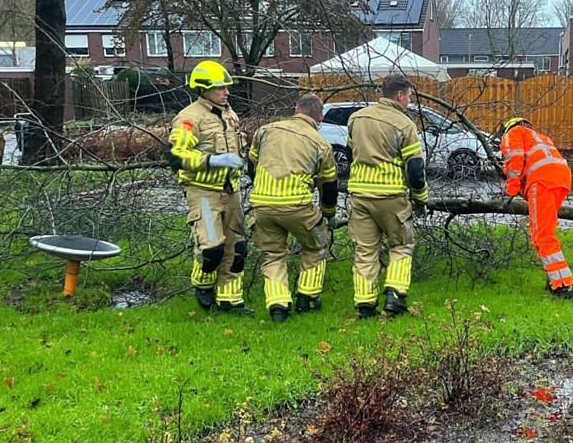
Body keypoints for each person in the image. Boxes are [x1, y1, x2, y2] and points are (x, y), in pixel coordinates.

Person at [167, 60, 253, 315]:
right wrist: (211, 161)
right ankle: (202, 284)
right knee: (212, 248)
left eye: (226, 87)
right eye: (219, 88)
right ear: (203, 89)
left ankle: (231, 300)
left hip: (231, 190)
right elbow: (175, 156)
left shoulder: (230, 114)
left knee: (236, 248)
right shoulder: (190, 118)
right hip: (202, 190)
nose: (226, 92)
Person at [247, 93, 338, 323]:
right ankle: (307, 297)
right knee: (316, 245)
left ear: (296, 109)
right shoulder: (321, 143)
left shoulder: (266, 131)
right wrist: (328, 214)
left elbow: (252, 165)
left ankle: (278, 305)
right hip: (297, 206)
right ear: (320, 117)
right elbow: (328, 186)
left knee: (273, 254)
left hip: (263, 204)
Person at [347, 75, 428, 319]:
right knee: (401, 245)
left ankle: (364, 304)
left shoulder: (356, 118)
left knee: (365, 250)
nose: (409, 101)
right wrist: (420, 198)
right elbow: (414, 168)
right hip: (391, 195)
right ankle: (395, 295)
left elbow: (353, 154)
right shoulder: (404, 124)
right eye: (409, 96)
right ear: (400, 95)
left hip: (359, 195)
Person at [497, 116, 573, 299]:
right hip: (560, 180)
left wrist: (511, 190)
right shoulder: (540, 137)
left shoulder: (514, 133)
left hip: (542, 181)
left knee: (543, 236)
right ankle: (555, 279)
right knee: (540, 232)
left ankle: (563, 285)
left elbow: (514, 162)